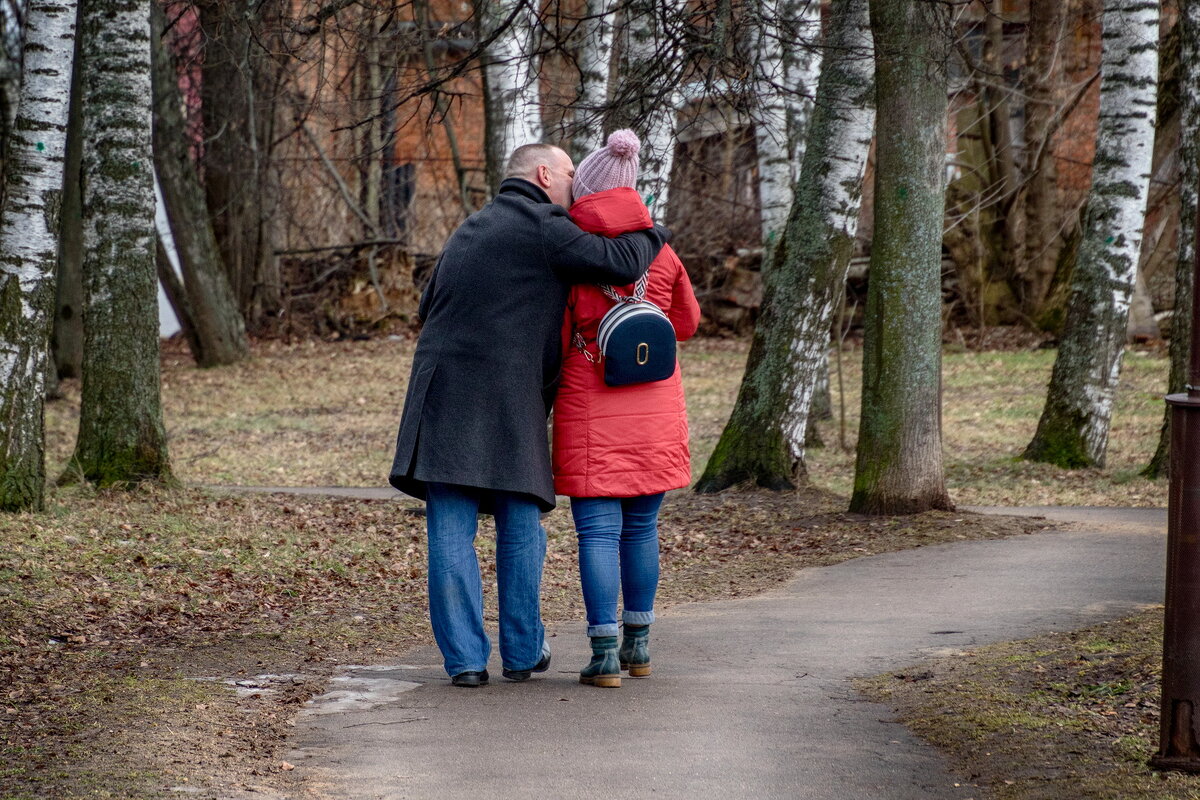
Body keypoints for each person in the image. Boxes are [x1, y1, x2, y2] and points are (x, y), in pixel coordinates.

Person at [388, 143, 671, 688]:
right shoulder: (544, 223)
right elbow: (624, 262)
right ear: (544, 175)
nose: (574, 187)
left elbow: (427, 307)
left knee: (451, 529)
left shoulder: (470, 227)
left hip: (440, 387)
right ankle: (521, 654)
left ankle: (467, 663)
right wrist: (650, 227)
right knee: (520, 525)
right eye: (569, 175)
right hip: (507, 393)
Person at [551, 130, 701, 688]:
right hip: (658, 409)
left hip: (591, 408)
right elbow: (684, 324)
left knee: (596, 534)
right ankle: (640, 646)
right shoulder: (662, 251)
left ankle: (605, 653)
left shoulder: (571, 249)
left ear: (583, 191)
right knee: (642, 528)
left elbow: (558, 334)